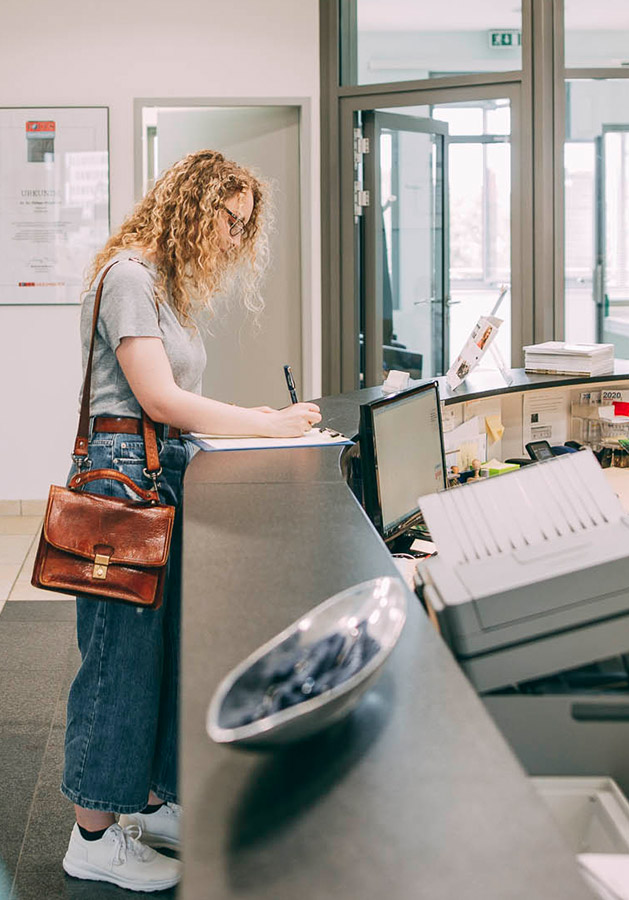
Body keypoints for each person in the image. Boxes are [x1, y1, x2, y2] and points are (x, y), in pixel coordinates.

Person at [60, 150, 321, 891]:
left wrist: (255, 421)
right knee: (117, 659)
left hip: (158, 473)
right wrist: (263, 425)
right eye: (227, 221)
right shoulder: (130, 278)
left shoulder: (165, 289)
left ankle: (141, 800)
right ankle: (92, 835)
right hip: (120, 480)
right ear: (189, 206)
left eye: (244, 228)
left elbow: (176, 404)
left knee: (158, 654)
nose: (235, 240)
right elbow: (159, 398)